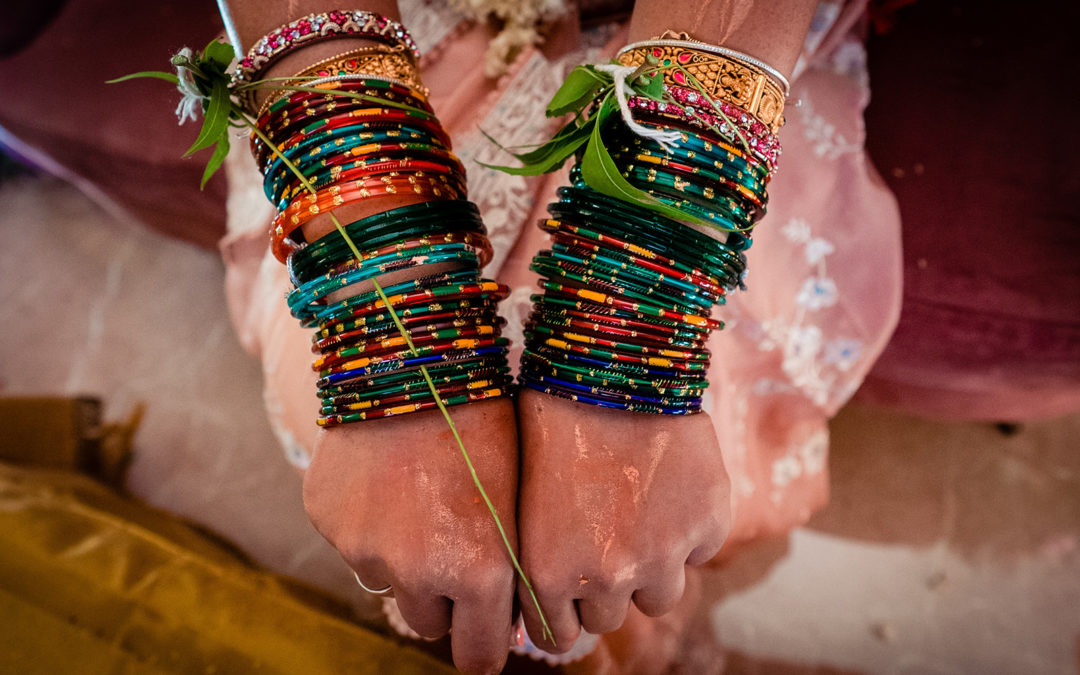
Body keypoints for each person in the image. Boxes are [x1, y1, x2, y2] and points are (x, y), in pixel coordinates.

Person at [217, 0, 901, 671]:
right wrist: (397, 351)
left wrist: (626, 343)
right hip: (389, 51)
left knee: (688, 431)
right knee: (353, 415)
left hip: (712, 51)